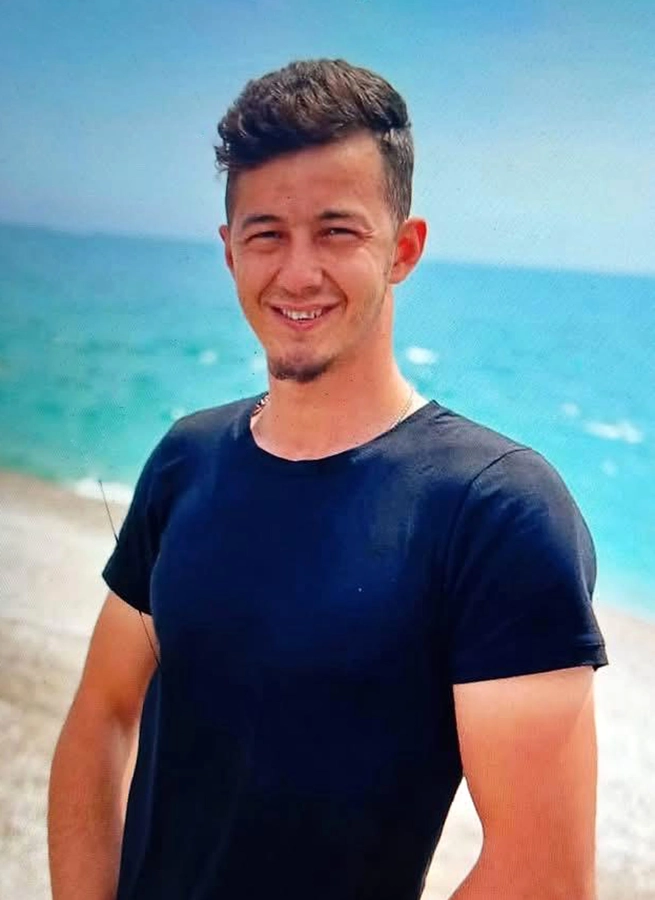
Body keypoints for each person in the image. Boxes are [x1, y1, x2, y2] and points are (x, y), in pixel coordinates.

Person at [48, 58, 608, 900]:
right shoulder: (186, 459)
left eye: (337, 231)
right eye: (266, 234)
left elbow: (544, 874)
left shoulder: (496, 511)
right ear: (229, 251)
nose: (298, 272)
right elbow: (101, 714)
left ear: (403, 249)